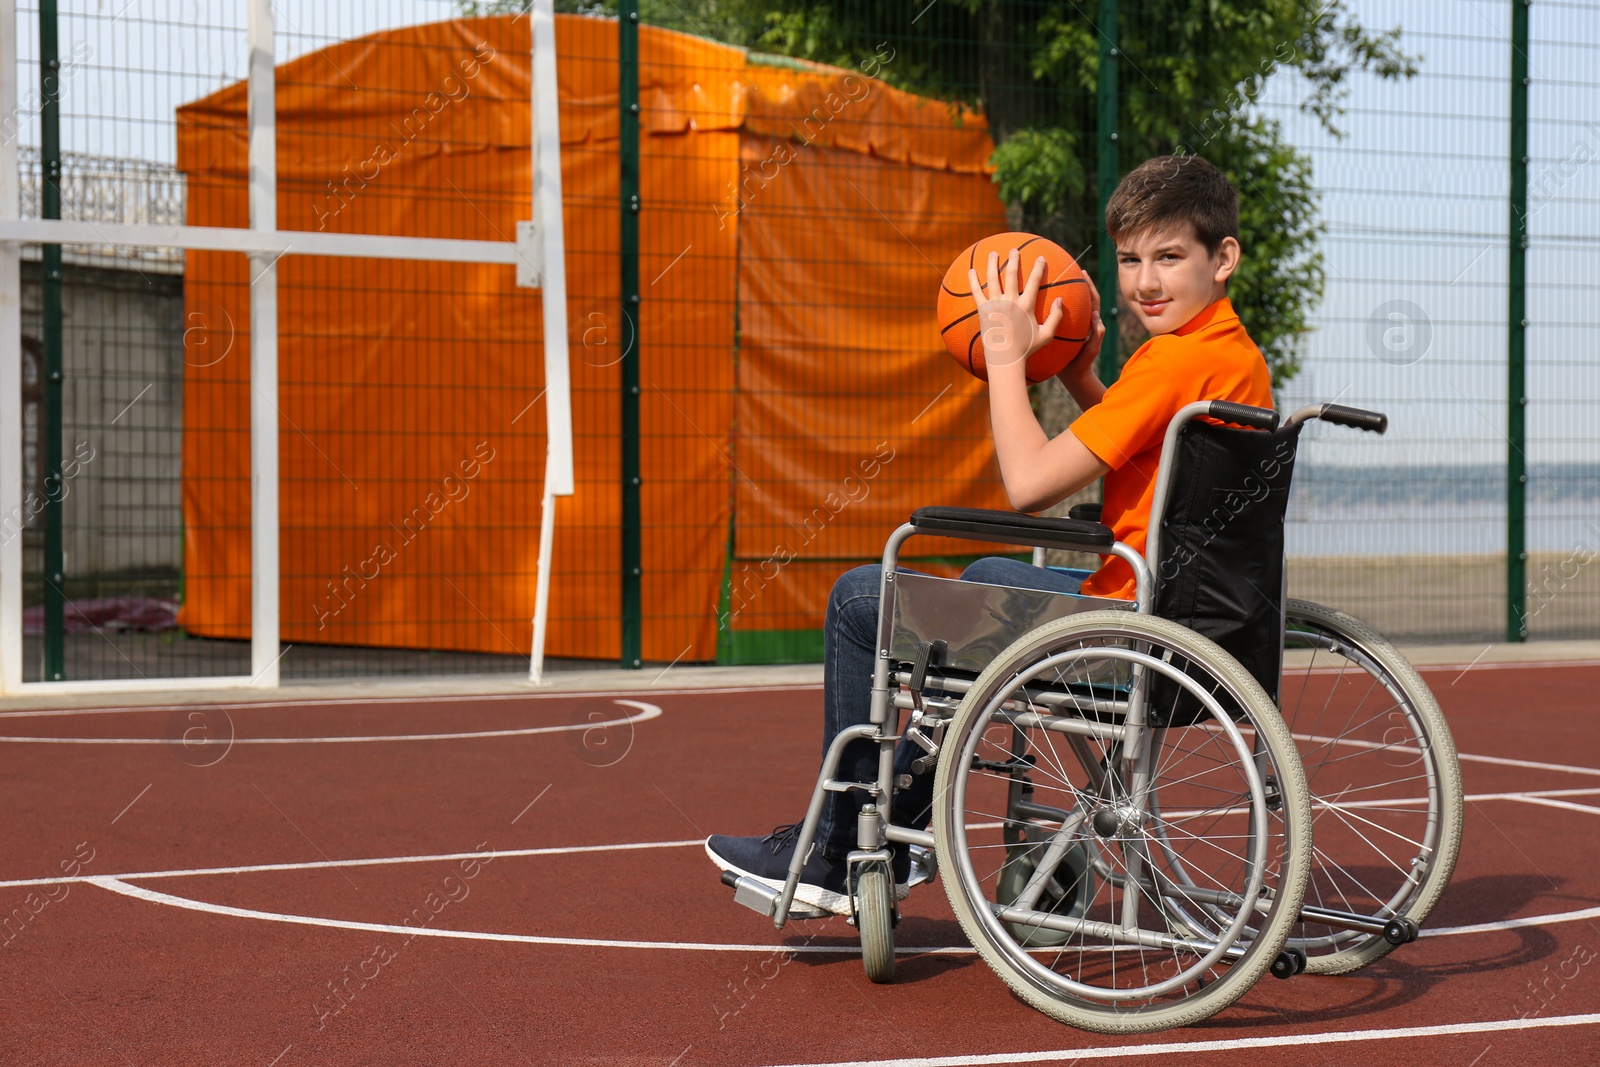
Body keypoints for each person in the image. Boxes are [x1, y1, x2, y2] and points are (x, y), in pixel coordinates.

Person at [705, 153, 1274, 915]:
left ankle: (838, 848)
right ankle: (903, 821)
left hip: (1123, 627)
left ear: (1223, 257)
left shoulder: (1170, 361)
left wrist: (1006, 358)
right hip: (1187, 614)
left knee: (856, 599)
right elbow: (1153, 454)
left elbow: (1031, 484)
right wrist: (1078, 378)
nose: (1144, 283)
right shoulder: (1231, 356)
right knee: (981, 580)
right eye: (1132, 259)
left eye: (1169, 258)